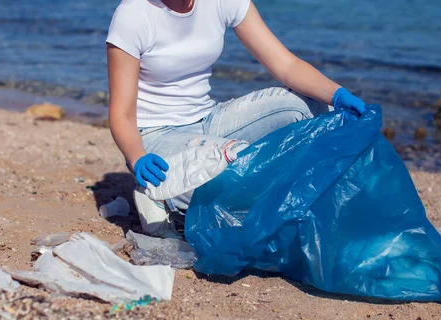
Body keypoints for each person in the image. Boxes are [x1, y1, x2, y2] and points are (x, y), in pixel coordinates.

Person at [106, 0, 366, 237]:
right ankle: (161, 195)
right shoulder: (134, 15)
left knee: (307, 105)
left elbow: (286, 65)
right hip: (156, 137)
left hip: (209, 118)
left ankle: (312, 192)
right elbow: (121, 114)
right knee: (241, 172)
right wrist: (137, 156)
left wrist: (338, 95)